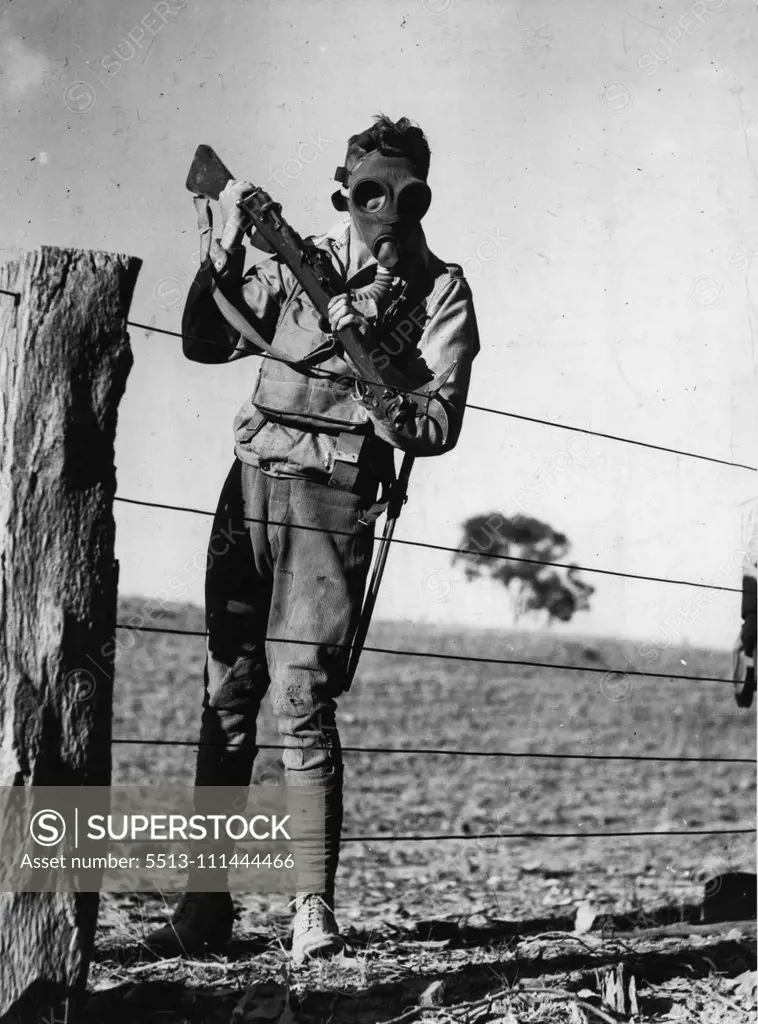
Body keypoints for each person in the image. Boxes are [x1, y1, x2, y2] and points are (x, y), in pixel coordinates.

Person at [144, 114, 480, 963]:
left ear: (423, 197)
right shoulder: (299, 259)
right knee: (226, 695)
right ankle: (204, 904)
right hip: (249, 482)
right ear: (346, 190)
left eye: (405, 196)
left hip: (331, 502)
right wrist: (221, 255)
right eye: (370, 193)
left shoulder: (439, 292)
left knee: (301, 702)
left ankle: (309, 911)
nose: (386, 212)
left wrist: (368, 360)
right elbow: (205, 338)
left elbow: (434, 425)